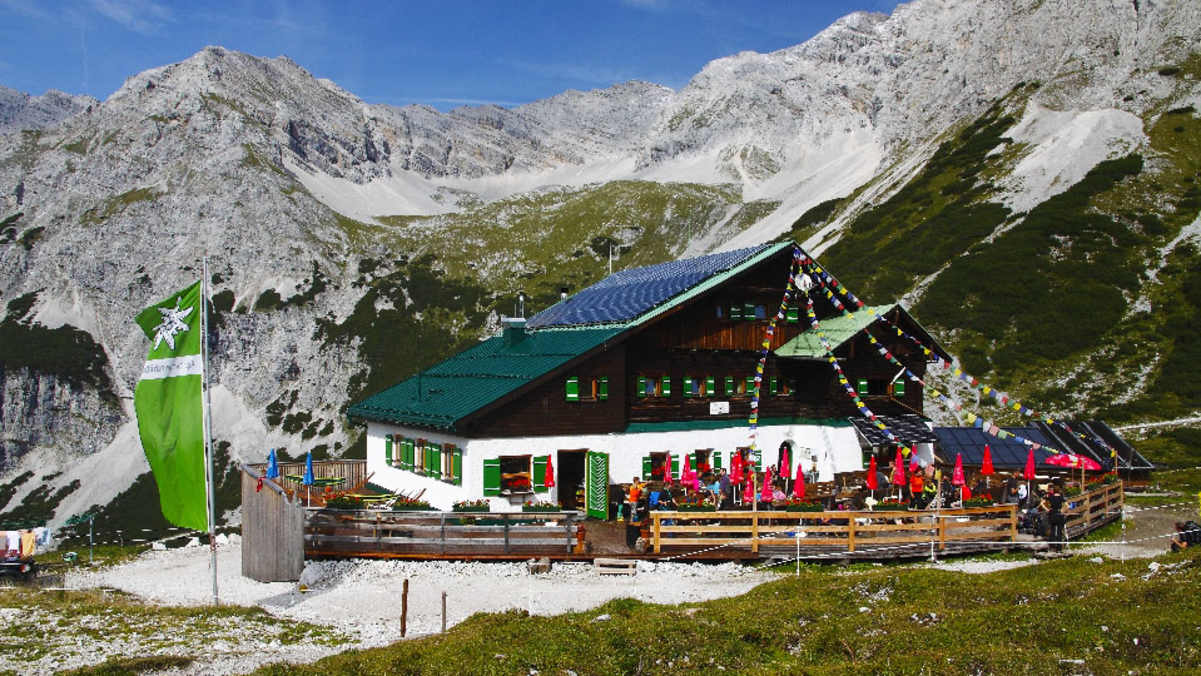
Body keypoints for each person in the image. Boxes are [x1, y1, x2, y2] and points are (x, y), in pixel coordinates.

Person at [1040, 482, 1066, 551]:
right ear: (1059, 490)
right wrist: (1062, 510)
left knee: (1052, 530)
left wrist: (1047, 510)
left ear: (1053, 491)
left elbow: (1042, 503)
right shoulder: (1061, 497)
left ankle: (1052, 546)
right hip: (1059, 514)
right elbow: (1067, 505)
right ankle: (1059, 548)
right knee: (1059, 531)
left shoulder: (1050, 497)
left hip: (1052, 514)